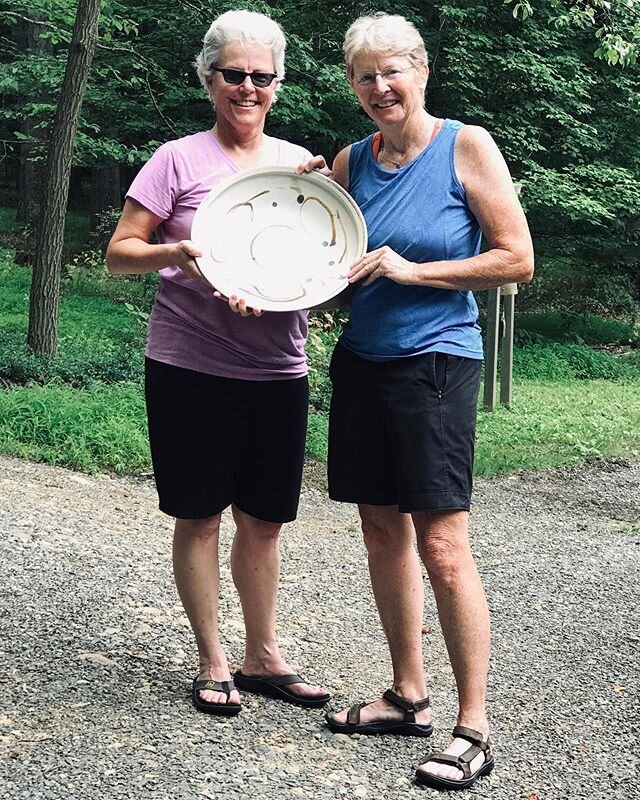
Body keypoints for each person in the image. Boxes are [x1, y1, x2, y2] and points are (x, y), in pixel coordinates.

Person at [302, 12, 534, 791]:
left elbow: (516, 259)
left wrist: (415, 273)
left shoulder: (466, 146)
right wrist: (282, 253)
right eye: (364, 76)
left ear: (422, 72)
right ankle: (408, 695)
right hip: (362, 361)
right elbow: (332, 263)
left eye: (392, 71)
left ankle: (475, 727)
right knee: (379, 531)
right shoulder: (351, 158)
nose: (379, 87)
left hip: (436, 363)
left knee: (442, 542)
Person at [106, 9, 330, 716]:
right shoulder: (176, 159)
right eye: (234, 74)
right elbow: (119, 254)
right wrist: (179, 254)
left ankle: (263, 656)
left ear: (277, 85)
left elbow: (321, 259)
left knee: (264, 521)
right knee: (200, 516)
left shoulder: (299, 168)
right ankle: (212, 659)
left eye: (262, 77)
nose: (248, 87)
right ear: (209, 79)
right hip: (189, 367)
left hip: (277, 370)